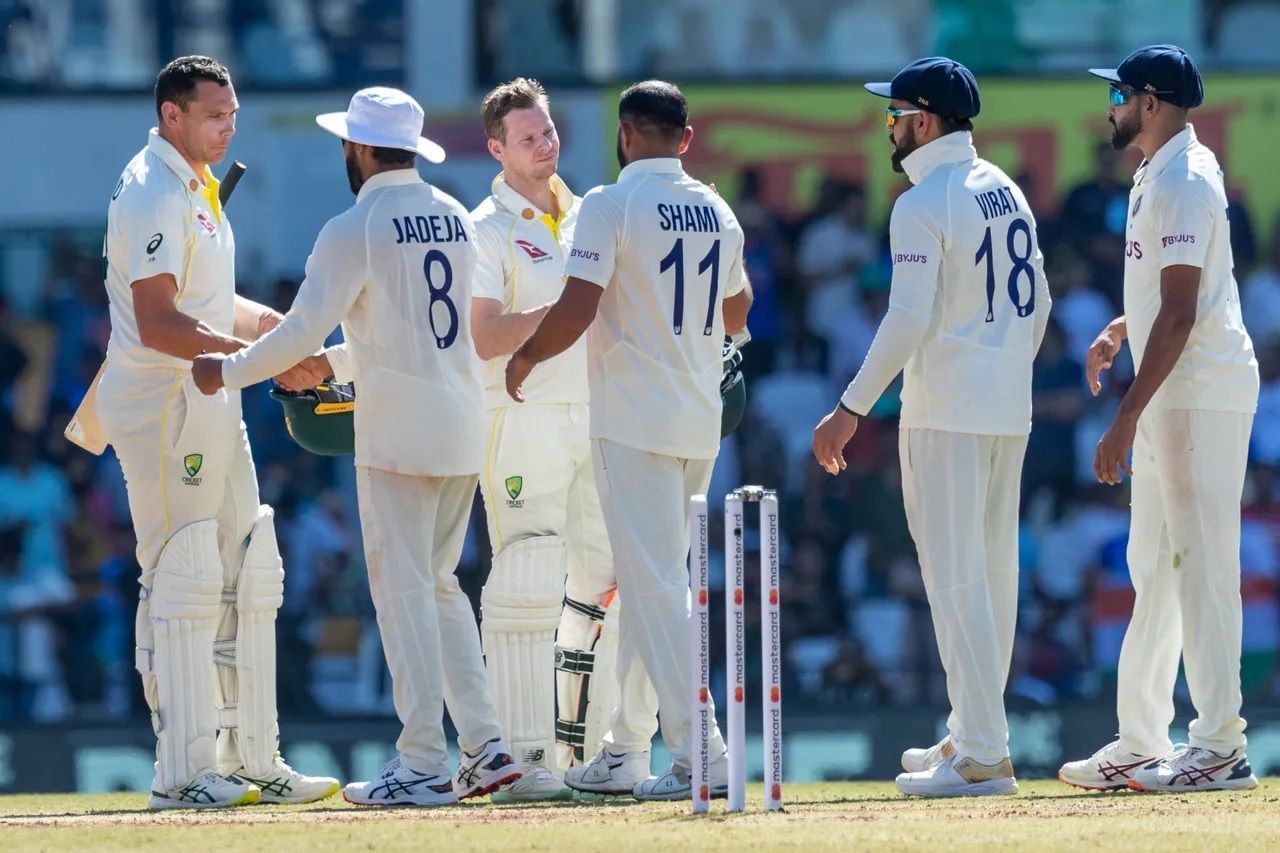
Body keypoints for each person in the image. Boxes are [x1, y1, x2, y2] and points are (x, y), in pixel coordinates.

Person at [191, 87, 522, 806]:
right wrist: (327, 365)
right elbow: (415, 337)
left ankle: (423, 762)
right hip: (461, 426)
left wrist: (228, 371)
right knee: (439, 590)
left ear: (361, 148)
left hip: (399, 437)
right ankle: (485, 745)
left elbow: (301, 331)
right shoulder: (455, 218)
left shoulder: (355, 225)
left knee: (405, 595)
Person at [96, 55, 337, 810]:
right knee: (185, 574)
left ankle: (254, 756)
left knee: (249, 569)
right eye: (213, 114)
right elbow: (163, 321)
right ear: (172, 114)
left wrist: (280, 337)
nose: (228, 124)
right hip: (165, 399)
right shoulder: (150, 191)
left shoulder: (194, 185)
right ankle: (182, 772)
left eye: (232, 111)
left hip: (212, 392)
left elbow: (211, 300)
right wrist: (267, 361)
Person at [505, 80, 753, 801]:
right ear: (686, 137)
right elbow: (739, 308)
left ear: (624, 135)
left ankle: (699, 751)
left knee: (653, 588)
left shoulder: (608, 205)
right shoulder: (715, 206)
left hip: (633, 418)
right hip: (698, 417)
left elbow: (578, 304)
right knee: (655, 584)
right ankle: (624, 745)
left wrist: (525, 355)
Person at [811, 57, 1051, 798]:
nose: (890, 126)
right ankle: (973, 727)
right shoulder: (1004, 188)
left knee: (956, 577)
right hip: (1009, 404)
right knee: (990, 576)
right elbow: (1037, 304)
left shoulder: (922, 202)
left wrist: (850, 406)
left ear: (924, 120)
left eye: (896, 114)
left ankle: (982, 751)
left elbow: (907, 316)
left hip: (948, 409)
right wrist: (1001, 367)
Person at [1059, 45, 1260, 794]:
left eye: (1116, 94)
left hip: (1198, 391)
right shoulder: (1158, 172)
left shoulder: (1181, 179)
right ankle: (1141, 741)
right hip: (1174, 384)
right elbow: (1171, 298)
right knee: (1158, 567)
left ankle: (1219, 745)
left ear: (1150, 101)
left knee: (1203, 567)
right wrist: (1121, 325)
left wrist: (1124, 417)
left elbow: (1181, 313)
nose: (1107, 106)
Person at [469, 77, 658, 802]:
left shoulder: (587, 216)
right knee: (527, 581)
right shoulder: (486, 227)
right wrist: (564, 314)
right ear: (497, 149)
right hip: (522, 419)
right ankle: (522, 756)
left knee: (599, 588)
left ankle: (592, 756)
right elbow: (485, 334)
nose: (545, 145)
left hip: (595, 416)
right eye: (528, 138)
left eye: (548, 131)